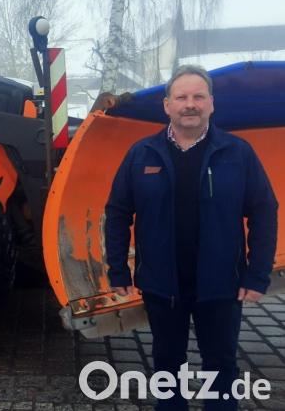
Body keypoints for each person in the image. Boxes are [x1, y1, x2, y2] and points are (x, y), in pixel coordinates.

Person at [105, 64, 278, 410]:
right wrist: (118, 270)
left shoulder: (237, 153)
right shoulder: (142, 154)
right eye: (181, 97)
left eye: (198, 97)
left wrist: (257, 274)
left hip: (221, 286)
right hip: (161, 285)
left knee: (221, 365)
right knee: (167, 364)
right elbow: (118, 212)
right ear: (167, 105)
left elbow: (264, 211)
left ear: (211, 103)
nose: (190, 104)